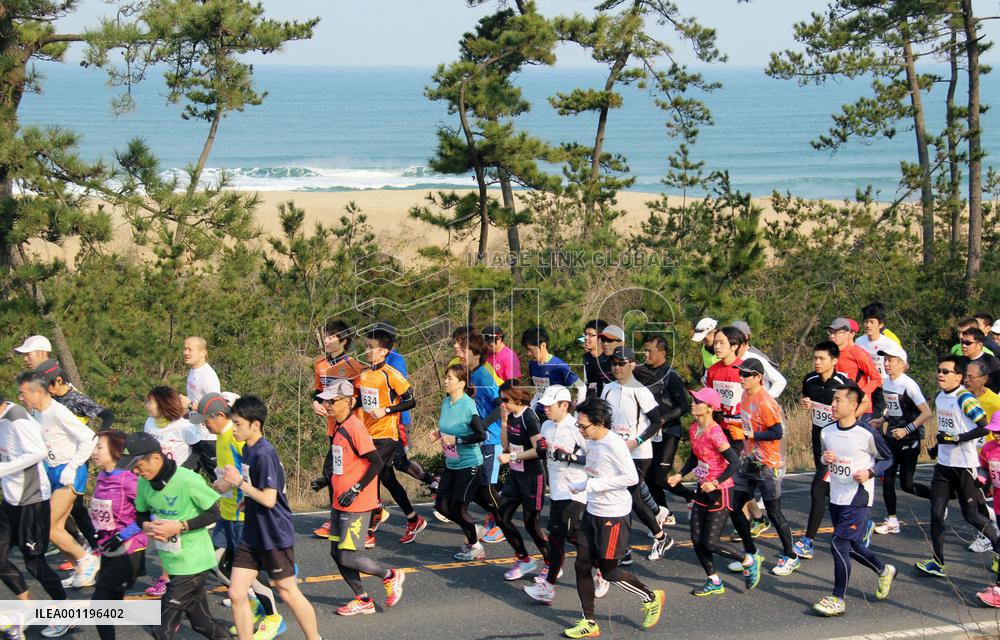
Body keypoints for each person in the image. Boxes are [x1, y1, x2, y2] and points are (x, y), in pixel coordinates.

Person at [562, 397, 664, 639]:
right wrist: (581, 484)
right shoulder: (592, 442)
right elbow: (596, 472)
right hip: (593, 512)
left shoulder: (614, 444)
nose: (580, 429)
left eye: (583, 426)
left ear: (599, 423)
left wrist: (595, 485)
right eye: (578, 425)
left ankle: (650, 596)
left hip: (613, 515)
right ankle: (589, 622)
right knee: (582, 565)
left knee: (609, 572)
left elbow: (631, 478)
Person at [220, 397, 321, 640]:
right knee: (236, 592)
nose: (233, 429)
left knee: (287, 591)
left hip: (274, 533)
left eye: (237, 423)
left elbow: (269, 499)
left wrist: (240, 484)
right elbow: (256, 491)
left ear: (255, 425)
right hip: (252, 534)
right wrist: (246, 497)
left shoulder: (264, 453)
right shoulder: (247, 449)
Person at [118, 432, 229, 640]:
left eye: (138, 465)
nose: (135, 471)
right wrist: (147, 525)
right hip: (174, 563)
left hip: (194, 563)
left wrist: (179, 526)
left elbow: (214, 513)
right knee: (202, 624)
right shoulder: (144, 482)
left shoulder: (187, 480)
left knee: (163, 628)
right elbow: (140, 513)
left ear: (156, 458)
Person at [190, 393, 283, 638]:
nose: (204, 425)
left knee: (248, 572)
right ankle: (247, 603)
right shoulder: (220, 437)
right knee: (213, 562)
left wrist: (228, 486)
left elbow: (253, 476)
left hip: (243, 516)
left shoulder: (237, 437)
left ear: (220, 415)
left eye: (205, 420)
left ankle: (273, 617)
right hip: (227, 514)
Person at [314, 380, 405, 616]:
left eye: (332, 401)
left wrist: (355, 489)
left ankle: (390, 575)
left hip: (357, 503)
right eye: (326, 400)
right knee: (336, 553)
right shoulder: (337, 424)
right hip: (339, 500)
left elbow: (376, 462)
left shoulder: (355, 427)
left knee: (347, 555)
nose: (327, 405)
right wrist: (326, 479)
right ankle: (362, 599)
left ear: (348, 402)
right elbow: (337, 457)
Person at [812, 384, 896, 617]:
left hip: (858, 497)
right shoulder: (826, 431)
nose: (834, 405)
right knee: (852, 546)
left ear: (854, 405)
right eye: (833, 400)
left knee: (838, 544)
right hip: (836, 495)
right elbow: (823, 458)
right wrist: (825, 458)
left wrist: (870, 472)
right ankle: (883, 570)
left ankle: (838, 598)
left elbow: (888, 459)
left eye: (839, 400)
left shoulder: (866, 433)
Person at [668, 387, 760, 597]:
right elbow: (694, 456)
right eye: (693, 400)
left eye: (698, 401)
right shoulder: (694, 429)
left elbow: (734, 462)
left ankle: (748, 560)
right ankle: (714, 581)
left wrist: (716, 483)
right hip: (702, 489)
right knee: (696, 538)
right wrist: (680, 475)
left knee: (711, 541)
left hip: (720, 492)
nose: (693, 404)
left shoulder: (715, 432)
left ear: (710, 408)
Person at [915, 355, 1000, 578]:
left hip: (965, 465)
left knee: (971, 515)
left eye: (946, 371)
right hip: (943, 465)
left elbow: (984, 427)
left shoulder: (965, 398)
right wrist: (936, 447)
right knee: (935, 513)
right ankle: (938, 562)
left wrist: (958, 438)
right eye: (939, 370)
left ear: (959, 377)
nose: (940, 375)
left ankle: (999, 549)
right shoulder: (940, 397)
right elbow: (946, 429)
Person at [523, 385, 610, 604]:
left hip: (575, 491)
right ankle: (603, 568)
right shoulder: (545, 425)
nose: (546, 410)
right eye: (543, 406)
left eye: (550, 406)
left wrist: (570, 457)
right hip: (558, 491)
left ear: (564, 405)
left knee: (556, 538)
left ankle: (549, 587)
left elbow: (593, 456)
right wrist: (543, 450)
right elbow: (544, 454)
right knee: (574, 537)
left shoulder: (575, 426)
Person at [16, 372, 99, 588]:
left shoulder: (58, 412)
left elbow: (90, 438)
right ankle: (82, 568)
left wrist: (72, 467)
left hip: (70, 472)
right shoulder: (35, 413)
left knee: (48, 526)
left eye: (23, 393)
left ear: (38, 391)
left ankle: (87, 560)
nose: (20, 398)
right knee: (56, 528)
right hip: (51, 472)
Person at [0, 393, 70, 639]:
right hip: (10, 499)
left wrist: (3, 468)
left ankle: (64, 614)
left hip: (32, 501)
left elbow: (38, 452)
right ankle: (26, 609)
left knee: (34, 563)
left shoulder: (18, 418)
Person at [600, 346, 673, 562]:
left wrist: (636, 441)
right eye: (613, 363)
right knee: (625, 497)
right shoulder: (608, 389)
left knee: (630, 496)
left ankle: (660, 537)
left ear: (632, 364)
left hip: (638, 453)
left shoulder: (641, 390)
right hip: (615, 452)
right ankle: (627, 548)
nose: (617, 367)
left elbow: (657, 421)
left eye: (622, 363)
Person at [730, 359, 800, 576]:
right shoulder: (744, 396)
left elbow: (777, 432)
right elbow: (749, 424)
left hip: (769, 464)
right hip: (750, 459)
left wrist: (748, 434)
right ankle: (750, 554)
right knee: (734, 506)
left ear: (759, 377)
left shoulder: (765, 401)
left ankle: (791, 555)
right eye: (740, 374)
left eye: (746, 375)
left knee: (773, 512)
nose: (741, 378)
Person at [358, 326, 424, 546]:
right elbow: (363, 401)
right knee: (387, 478)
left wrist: (386, 410)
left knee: (369, 475)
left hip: (387, 435)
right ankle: (413, 519)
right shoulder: (365, 374)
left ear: (384, 351)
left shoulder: (391, 374)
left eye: (371, 347)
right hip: (368, 434)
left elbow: (410, 401)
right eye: (366, 346)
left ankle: (369, 527)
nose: (366, 351)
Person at [795, 341, 851, 560]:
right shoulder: (809, 380)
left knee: (819, 489)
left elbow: (861, 406)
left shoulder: (843, 384)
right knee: (833, 490)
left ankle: (808, 541)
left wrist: (839, 415)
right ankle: (859, 526)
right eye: (815, 358)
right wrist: (805, 403)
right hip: (819, 441)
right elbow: (804, 399)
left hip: (839, 445)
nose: (817, 362)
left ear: (834, 361)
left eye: (822, 358)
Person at [869, 343, 933, 535]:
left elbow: (927, 413)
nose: (886, 364)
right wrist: (882, 419)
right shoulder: (886, 382)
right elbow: (894, 408)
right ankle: (892, 520)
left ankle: (938, 500)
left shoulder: (908, 384)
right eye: (885, 360)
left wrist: (907, 430)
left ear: (901, 363)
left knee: (907, 484)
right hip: (892, 437)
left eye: (891, 360)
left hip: (909, 439)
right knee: (886, 479)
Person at [89, 430, 148, 640]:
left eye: (99, 447)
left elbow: (147, 512)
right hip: (108, 549)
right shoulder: (103, 475)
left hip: (128, 549)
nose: (94, 452)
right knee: (111, 602)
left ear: (115, 451)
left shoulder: (128, 479)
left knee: (99, 603)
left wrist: (122, 536)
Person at [311, 319, 366, 539]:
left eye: (331, 336)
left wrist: (348, 404)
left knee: (344, 472)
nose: (326, 340)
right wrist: (316, 403)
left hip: (352, 428)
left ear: (343, 341)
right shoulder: (320, 365)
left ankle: (352, 518)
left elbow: (362, 396)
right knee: (335, 473)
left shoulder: (353, 365)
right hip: (332, 429)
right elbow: (317, 392)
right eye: (326, 336)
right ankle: (337, 518)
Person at [430, 364, 487, 561]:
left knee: (457, 509)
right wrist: (439, 434)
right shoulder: (446, 402)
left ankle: (475, 546)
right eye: (446, 377)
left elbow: (481, 435)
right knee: (441, 506)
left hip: (470, 464)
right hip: (452, 462)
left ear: (462, 383)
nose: (446, 381)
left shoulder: (468, 405)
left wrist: (458, 440)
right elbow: (449, 428)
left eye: (451, 378)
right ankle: (474, 528)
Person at [454, 328, 505, 544]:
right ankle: (496, 515)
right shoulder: (471, 375)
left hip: (490, 441)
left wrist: (483, 425)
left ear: (475, 354)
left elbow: (500, 406)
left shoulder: (483, 376)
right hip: (478, 441)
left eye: (463, 350)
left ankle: (503, 523)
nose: (458, 353)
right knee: (475, 488)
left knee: (487, 488)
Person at [496, 380, 549, 581]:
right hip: (515, 476)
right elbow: (506, 446)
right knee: (502, 517)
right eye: (500, 400)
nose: (502, 404)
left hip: (531, 478)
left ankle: (551, 563)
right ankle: (524, 560)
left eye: (505, 400)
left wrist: (513, 457)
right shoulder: (511, 416)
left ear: (517, 398)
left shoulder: (529, 417)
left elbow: (539, 450)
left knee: (531, 524)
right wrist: (503, 422)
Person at [634, 335, 694, 512]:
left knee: (659, 477)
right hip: (649, 431)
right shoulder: (639, 371)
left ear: (663, 353)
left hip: (669, 431)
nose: (645, 354)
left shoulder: (671, 375)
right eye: (644, 350)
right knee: (648, 477)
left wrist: (663, 419)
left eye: (649, 351)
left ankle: (692, 496)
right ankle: (663, 512)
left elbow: (684, 406)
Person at [826, 317, 881, 422]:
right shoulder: (830, 353)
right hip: (839, 406)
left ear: (848, 334)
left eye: (837, 333)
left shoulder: (858, 353)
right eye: (830, 332)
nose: (832, 336)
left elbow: (876, 378)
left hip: (860, 409)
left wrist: (859, 394)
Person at [183, 336, 222, 478]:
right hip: (195, 435)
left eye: (190, 349)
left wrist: (189, 405)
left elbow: (216, 406)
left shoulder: (208, 375)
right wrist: (185, 412)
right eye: (184, 348)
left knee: (220, 480)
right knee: (184, 477)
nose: (185, 352)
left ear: (203, 353)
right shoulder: (194, 371)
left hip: (208, 437)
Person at [523, 327, 587, 409]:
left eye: (530, 350)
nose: (528, 353)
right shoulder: (532, 365)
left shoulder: (559, 366)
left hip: (556, 415)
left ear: (543, 345)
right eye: (526, 350)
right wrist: (531, 408)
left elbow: (581, 387)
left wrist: (579, 411)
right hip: (540, 412)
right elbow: (539, 391)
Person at [973, 411, 1000, 607]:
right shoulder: (989, 448)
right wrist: (982, 479)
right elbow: (984, 467)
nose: (996, 435)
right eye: (994, 431)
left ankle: (999, 591)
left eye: (999, 431)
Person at [730, 321, 787, 398]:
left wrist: (765, 399)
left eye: (734, 335)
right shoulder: (728, 356)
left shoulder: (756, 357)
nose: (730, 339)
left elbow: (780, 381)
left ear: (746, 337)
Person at [960, 328, 1000, 393]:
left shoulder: (992, 362)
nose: (963, 346)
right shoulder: (959, 361)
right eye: (962, 342)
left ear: (979, 345)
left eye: (968, 343)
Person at [581, 319, 610, 398]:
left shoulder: (612, 360)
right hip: (591, 404)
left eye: (591, 335)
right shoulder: (585, 358)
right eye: (585, 334)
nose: (586, 338)